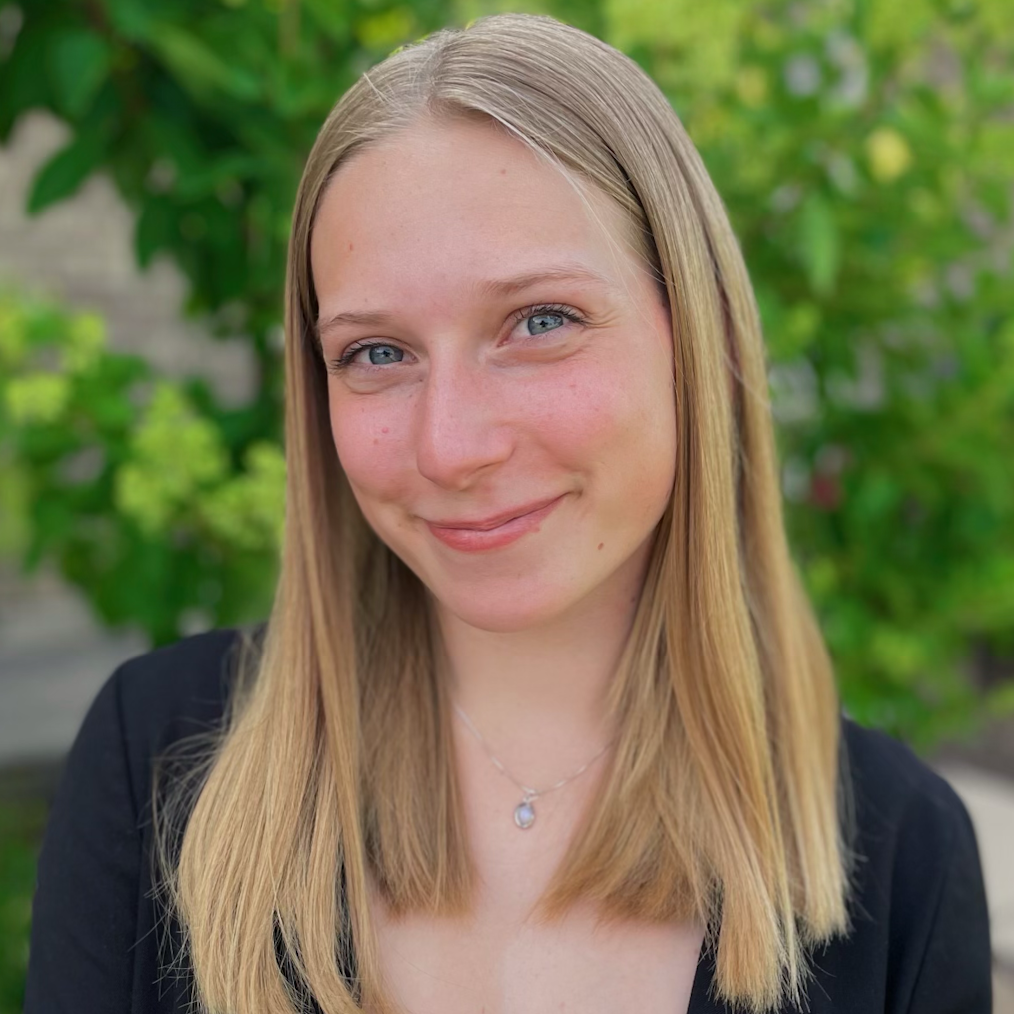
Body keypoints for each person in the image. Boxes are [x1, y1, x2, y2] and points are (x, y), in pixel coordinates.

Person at [25, 12, 991, 1014]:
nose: (449, 447)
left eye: (539, 322)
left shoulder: (901, 859)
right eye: (376, 353)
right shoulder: (156, 767)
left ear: (691, 334)